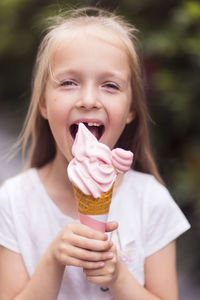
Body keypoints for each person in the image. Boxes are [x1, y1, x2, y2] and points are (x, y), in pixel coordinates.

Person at [0, 7, 190, 300]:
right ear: (43, 104)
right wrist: (52, 261)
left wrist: (118, 277)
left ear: (130, 111)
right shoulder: (13, 202)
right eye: (68, 82)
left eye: (110, 85)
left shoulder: (150, 202)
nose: (88, 100)